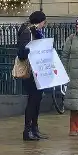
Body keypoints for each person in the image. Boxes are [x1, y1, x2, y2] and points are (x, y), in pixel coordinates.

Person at [18, 10, 49, 141]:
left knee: (37, 100)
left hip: (38, 70)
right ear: (40, 21)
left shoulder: (36, 32)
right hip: (30, 71)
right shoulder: (27, 32)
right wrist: (33, 50)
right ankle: (27, 130)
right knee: (32, 100)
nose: (44, 25)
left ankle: (35, 129)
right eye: (44, 22)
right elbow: (22, 53)